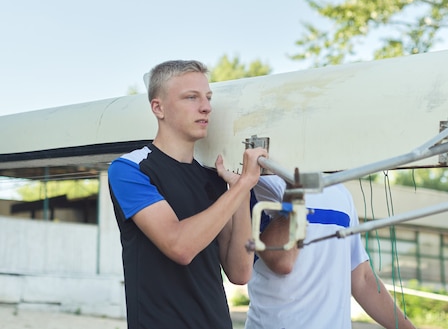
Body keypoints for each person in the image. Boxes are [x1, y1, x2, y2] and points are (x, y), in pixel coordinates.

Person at [108, 60, 267, 329]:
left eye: (207, 98)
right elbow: (180, 246)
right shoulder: (130, 169)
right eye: (191, 97)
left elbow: (240, 272)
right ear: (158, 108)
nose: (205, 107)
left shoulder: (212, 178)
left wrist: (240, 189)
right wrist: (241, 187)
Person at [245, 174, 417, 329]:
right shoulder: (259, 182)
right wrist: (294, 195)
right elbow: (282, 261)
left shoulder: (339, 191)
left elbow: (362, 278)